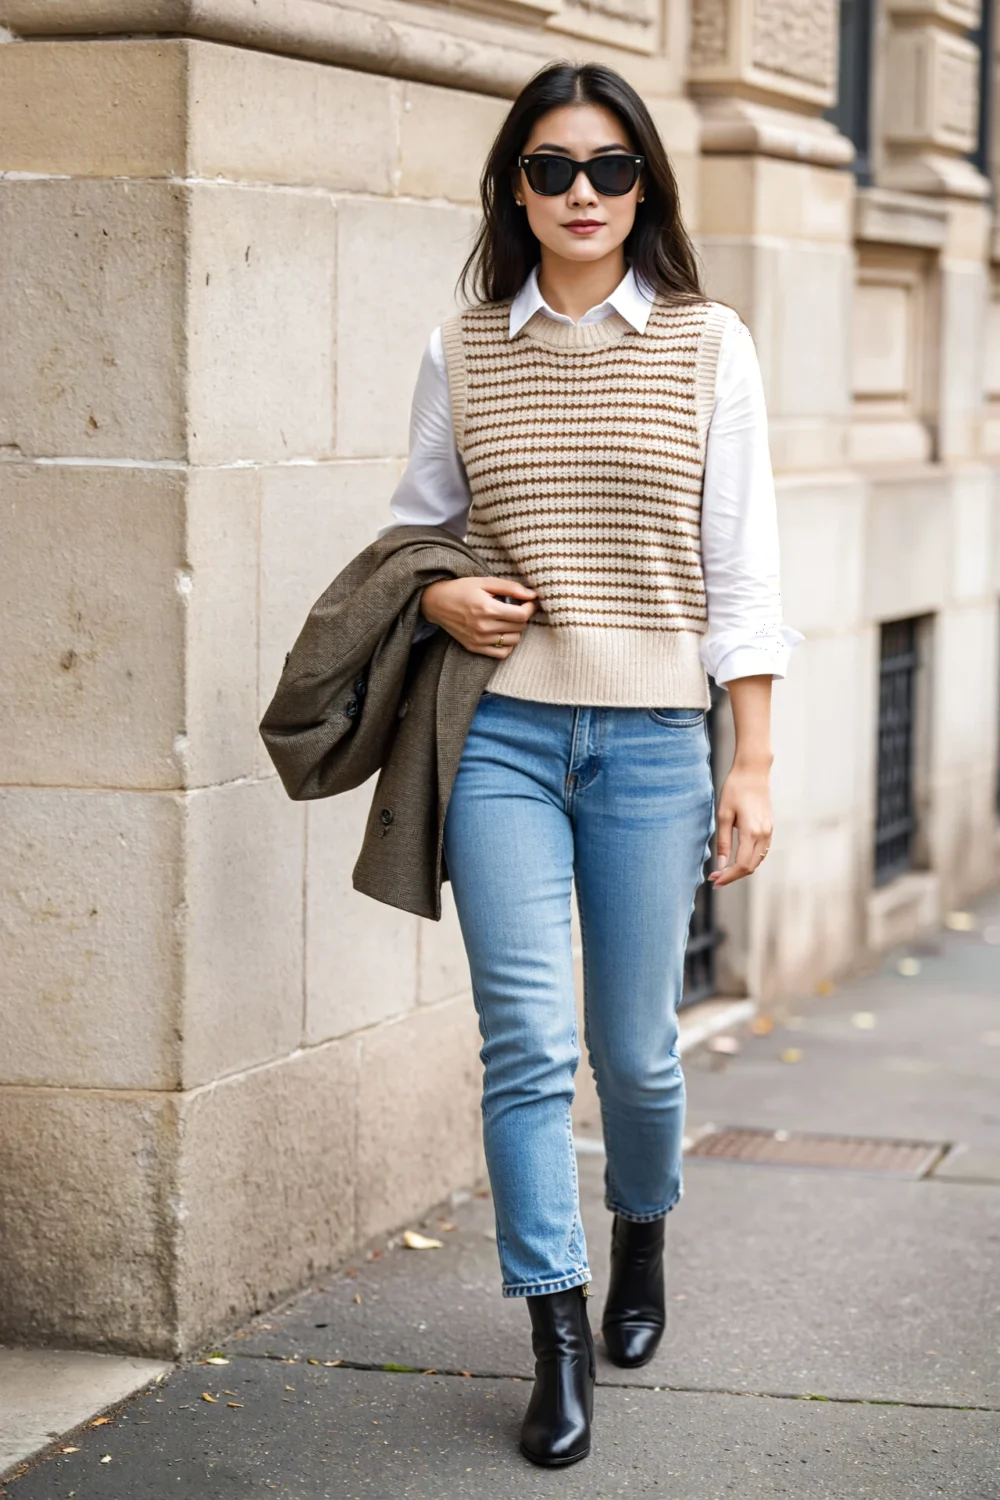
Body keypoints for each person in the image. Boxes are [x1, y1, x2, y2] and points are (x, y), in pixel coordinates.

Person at [378, 59, 801, 1468]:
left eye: (609, 168)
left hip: (653, 743)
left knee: (636, 1053)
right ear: (516, 186)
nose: (581, 192)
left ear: (644, 187)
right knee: (526, 1044)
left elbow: (744, 574)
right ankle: (554, 1336)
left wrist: (751, 759)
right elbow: (415, 535)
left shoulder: (707, 344)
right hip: (498, 733)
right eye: (552, 168)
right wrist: (442, 594)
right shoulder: (462, 346)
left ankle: (643, 1236)